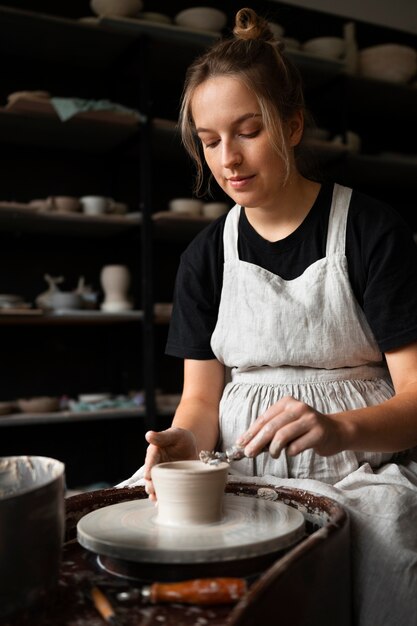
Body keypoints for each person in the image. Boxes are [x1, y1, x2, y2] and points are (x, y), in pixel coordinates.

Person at [118, 8, 417, 625]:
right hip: (239, 466)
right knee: (128, 531)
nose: (228, 158)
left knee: (382, 544)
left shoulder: (370, 230)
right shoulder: (205, 256)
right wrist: (182, 443)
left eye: (248, 130)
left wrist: (340, 429)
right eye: (209, 140)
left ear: (293, 124)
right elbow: (201, 403)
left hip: (363, 470)